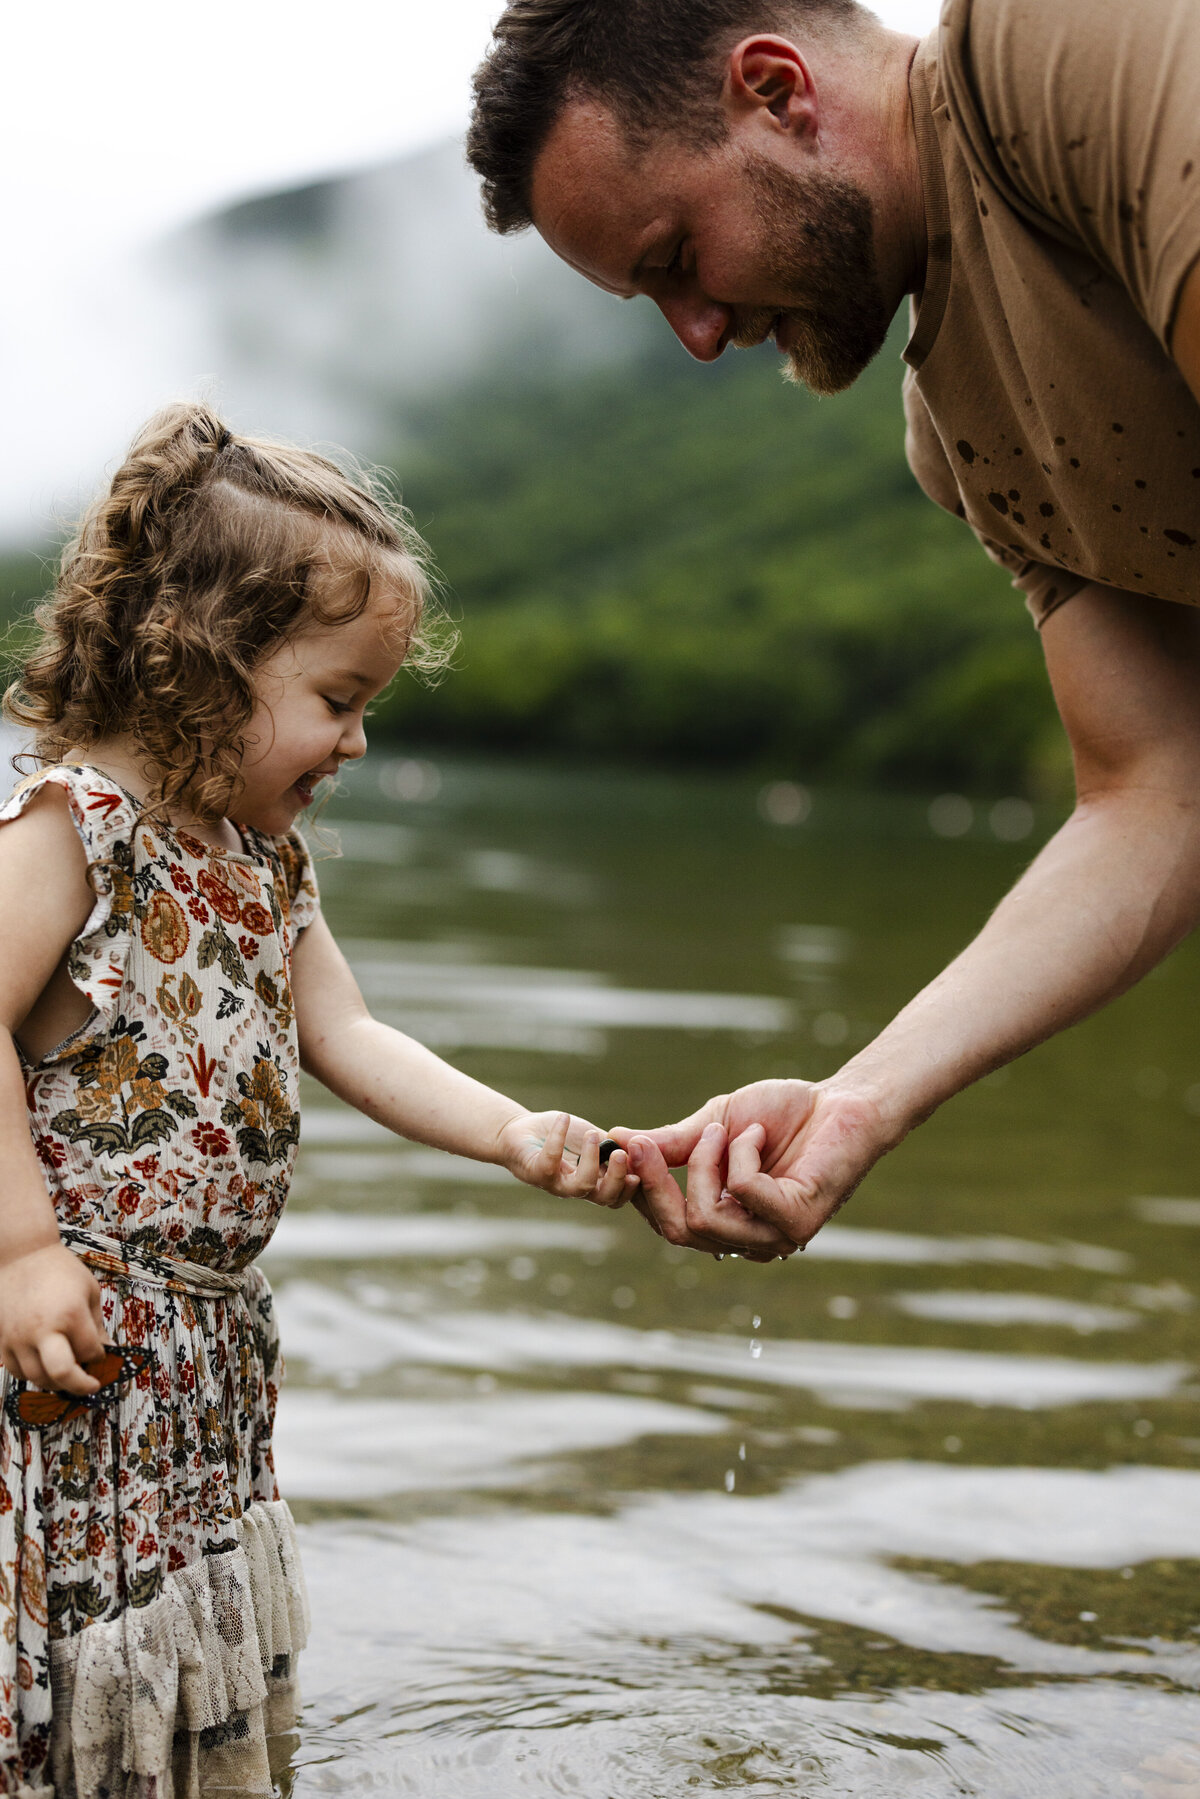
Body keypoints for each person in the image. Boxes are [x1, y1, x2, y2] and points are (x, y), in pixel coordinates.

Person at [0, 402, 785, 1798]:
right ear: (197, 665)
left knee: (185, 1697)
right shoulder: (77, 833)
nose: (355, 741)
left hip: (198, 1365)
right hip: (71, 1348)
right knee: (63, 1687)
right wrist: (20, 1248)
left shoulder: (266, 872)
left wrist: (521, 1134)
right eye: (338, 699)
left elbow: (352, 1033)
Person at [465, 0, 1200, 1256]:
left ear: (777, 91)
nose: (696, 336)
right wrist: (862, 1098)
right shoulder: (958, 431)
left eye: (675, 257)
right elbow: (1155, 793)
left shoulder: (1058, 40)